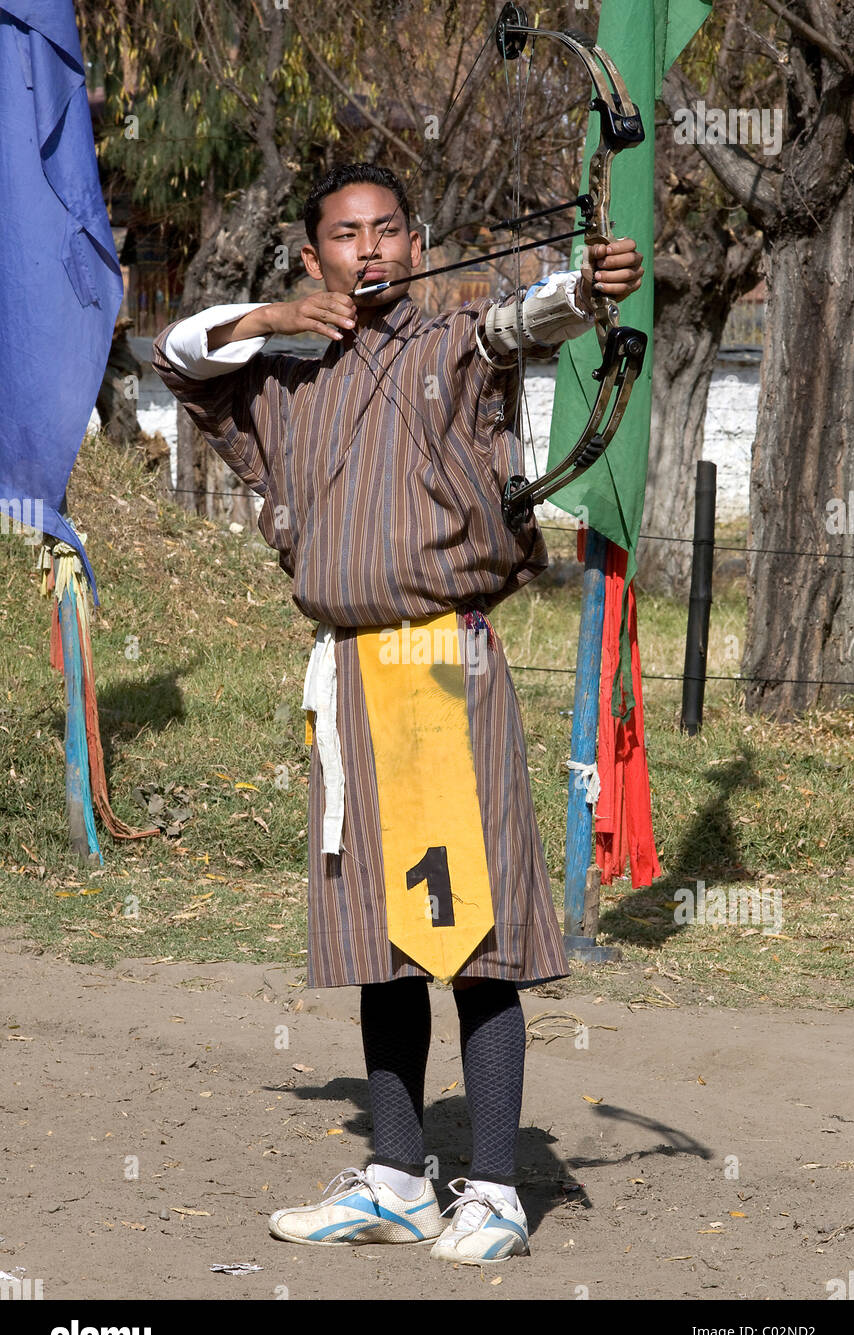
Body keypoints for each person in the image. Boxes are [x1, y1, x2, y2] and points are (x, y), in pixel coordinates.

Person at [152, 162, 643, 1264]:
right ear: (312, 253)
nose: (366, 251)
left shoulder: (452, 345)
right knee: (377, 939)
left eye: (385, 233)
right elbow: (174, 353)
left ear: (417, 247)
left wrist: (592, 287)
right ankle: (392, 1176)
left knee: (474, 940)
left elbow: (529, 317)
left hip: (443, 668)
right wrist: (276, 319)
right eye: (343, 235)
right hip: (351, 675)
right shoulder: (276, 373)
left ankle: (495, 1187)